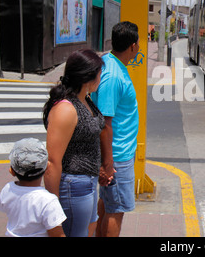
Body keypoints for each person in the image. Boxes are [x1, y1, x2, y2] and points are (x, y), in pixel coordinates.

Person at [43, 48, 105, 237]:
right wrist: (53, 206)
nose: (101, 78)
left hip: (88, 183)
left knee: (88, 229)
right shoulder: (66, 109)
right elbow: (53, 161)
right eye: (99, 74)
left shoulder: (85, 99)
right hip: (73, 185)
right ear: (88, 78)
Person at [91, 21, 140, 237]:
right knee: (116, 211)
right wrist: (108, 164)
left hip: (115, 153)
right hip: (117, 156)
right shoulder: (113, 77)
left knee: (108, 205)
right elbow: (104, 123)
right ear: (133, 46)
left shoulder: (108, 62)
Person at [0, 138, 66, 237]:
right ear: (46, 167)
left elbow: (3, 207)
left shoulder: (7, 189)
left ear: (12, 171)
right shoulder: (48, 200)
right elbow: (57, 234)